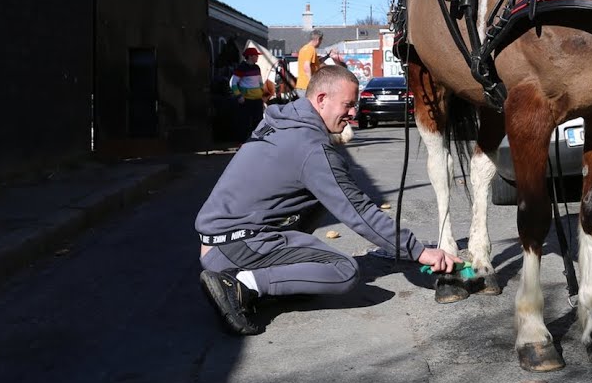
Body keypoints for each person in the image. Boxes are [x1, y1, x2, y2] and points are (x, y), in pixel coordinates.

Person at [195, 64, 460, 335]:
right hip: (236, 248)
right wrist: (418, 251)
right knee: (343, 270)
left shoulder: (282, 121)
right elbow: (360, 212)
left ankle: (279, 276)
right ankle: (242, 285)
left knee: (320, 196)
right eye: (348, 104)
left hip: (219, 241)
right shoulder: (311, 148)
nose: (353, 113)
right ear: (321, 99)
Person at [229, 47, 266, 143]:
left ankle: (259, 141)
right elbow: (232, 82)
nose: (257, 57)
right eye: (255, 55)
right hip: (246, 100)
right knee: (244, 123)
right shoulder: (241, 68)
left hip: (257, 99)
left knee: (259, 121)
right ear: (250, 57)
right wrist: (239, 96)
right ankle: (243, 142)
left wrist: (262, 93)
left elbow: (260, 81)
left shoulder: (257, 68)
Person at [294, 29, 323, 99]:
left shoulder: (303, 49)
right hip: (307, 87)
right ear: (318, 39)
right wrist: (311, 83)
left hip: (300, 85)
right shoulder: (311, 49)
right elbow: (306, 66)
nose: (321, 43)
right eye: (321, 40)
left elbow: (312, 64)